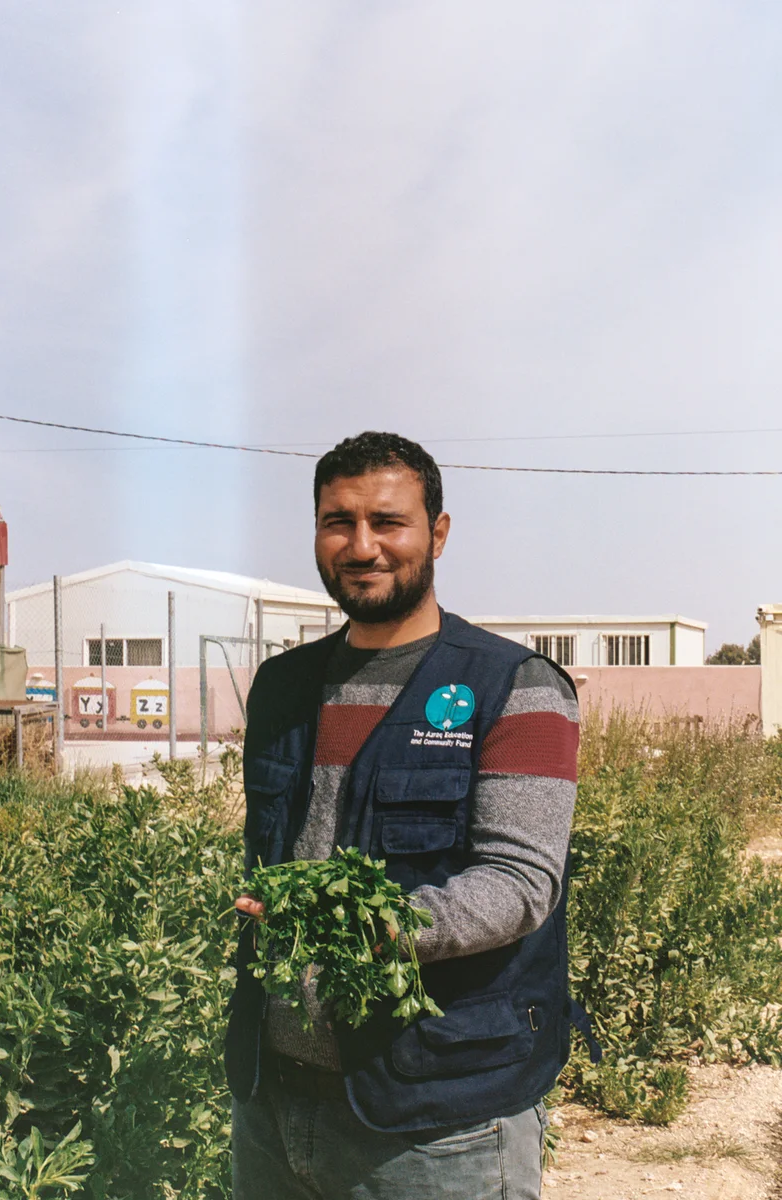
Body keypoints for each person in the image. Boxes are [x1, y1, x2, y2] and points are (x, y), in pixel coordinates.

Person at [227, 431, 588, 1200]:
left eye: (387, 522)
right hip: (272, 1102)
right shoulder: (283, 687)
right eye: (338, 521)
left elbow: (521, 881)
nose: (362, 546)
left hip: (438, 1120)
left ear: (438, 533)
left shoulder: (515, 686)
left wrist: (387, 925)